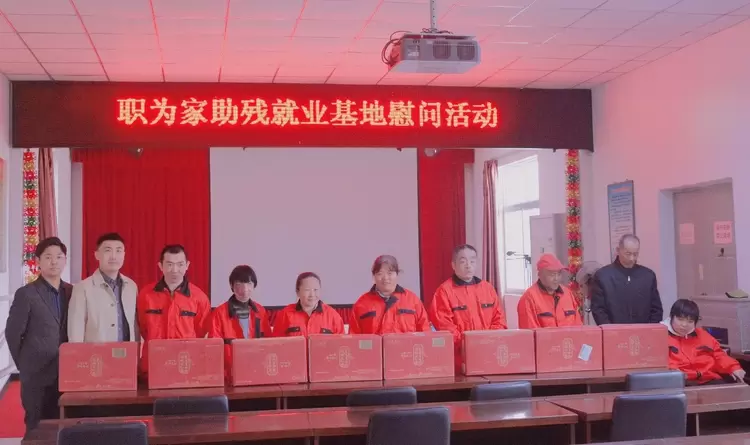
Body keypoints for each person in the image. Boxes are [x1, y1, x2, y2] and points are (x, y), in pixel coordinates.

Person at [5, 237, 73, 435]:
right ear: (38, 261)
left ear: (65, 260)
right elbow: (13, 333)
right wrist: (25, 365)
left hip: (66, 373)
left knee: (63, 424)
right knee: (36, 426)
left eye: (59, 257)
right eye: (48, 257)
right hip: (36, 374)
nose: (54, 262)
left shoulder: (72, 292)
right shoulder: (26, 294)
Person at [136, 244, 211, 376]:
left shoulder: (199, 297)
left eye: (180, 264)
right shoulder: (145, 295)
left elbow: (200, 331)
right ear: (160, 266)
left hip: (185, 365)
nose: (175, 270)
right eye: (169, 264)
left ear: (187, 265)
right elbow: (142, 328)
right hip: (153, 365)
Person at [428, 245, 507, 367]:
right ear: (453, 265)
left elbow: (499, 319)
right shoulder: (444, 292)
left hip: (490, 353)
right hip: (459, 357)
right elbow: (444, 326)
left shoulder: (487, 288)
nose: (468, 265)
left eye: (472, 261)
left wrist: (489, 340)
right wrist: (468, 344)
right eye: (463, 261)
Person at [68, 233, 138, 343]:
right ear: (97, 255)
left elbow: (135, 326)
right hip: (95, 353)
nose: (113, 256)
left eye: (118, 251)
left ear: (124, 255)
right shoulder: (82, 288)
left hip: (127, 352)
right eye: (108, 250)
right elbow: (75, 332)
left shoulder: (131, 286)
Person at [208, 265, 272, 380]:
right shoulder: (219, 313)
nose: (245, 289)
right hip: (229, 374)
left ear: (254, 285)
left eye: (249, 284)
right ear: (231, 286)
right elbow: (213, 347)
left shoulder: (260, 311)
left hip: (257, 371)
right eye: (239, 284)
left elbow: (268, 343)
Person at [663, 299, 746, 385]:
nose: (684, 325)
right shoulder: (660, 336)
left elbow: (719, 355)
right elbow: (660, 364)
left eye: (690, 321)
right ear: (671, 317)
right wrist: (675, 373)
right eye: (680, 319)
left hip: (708, 379)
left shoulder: (702, 335)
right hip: (679, 382)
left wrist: (734, 367)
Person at [590, 234, 663, 324]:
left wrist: (650, 328)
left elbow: (656, 309)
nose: (632, 258)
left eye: (635, 254)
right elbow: (598, 309)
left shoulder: (648, 276)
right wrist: (610, 329)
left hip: (643, 329)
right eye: (628, 254)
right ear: (618, 250)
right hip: (614, 330)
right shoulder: (603, 276)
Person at [349, 255, 430, 334]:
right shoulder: (361, 304)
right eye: (380, 273)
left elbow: (425, 333)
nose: (385, 278)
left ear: (397, 275)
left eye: (390, 273)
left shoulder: (413, 301)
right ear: (374, 276)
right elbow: (354, 338)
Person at [517, 253, 583, 328]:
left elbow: (578, 327)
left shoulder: (568, 294)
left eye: (559, 274)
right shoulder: (528, 299)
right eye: (552, 274)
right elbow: (530, 332)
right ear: (540, 274)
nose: (556, 278)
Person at [273, 272, 344, 336]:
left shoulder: (333, 316)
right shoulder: (285, 314)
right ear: (297, 292)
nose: (312, 295)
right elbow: (277, 343)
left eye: (315, 290)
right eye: (307, 290)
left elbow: (341, 344)